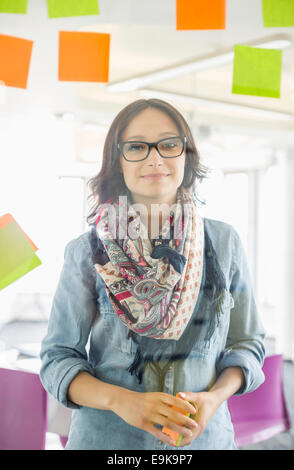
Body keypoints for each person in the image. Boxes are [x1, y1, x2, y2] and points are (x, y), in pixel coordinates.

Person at [39, 98, 266, 450]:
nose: (155, 158)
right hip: (108, 441)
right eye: (136, 147)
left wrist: (214, 397)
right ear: (118, 161)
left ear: (186, 155)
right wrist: (121, 400)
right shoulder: (87, 251)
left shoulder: (224, 242)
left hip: (204, 441)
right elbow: (58, 358)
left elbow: (248, 344)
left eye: (169, 144)